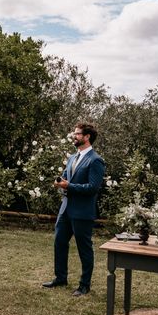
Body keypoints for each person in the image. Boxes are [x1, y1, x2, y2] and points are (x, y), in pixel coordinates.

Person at [43, 122, 106, 297]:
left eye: (77, 134)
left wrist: (69, 185)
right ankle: (60, 278)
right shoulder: (72, 157)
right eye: (75, 133)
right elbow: (65, 177)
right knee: (59, 243)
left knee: (84, 248)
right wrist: (60, 183)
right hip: (65, 209)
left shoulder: (96, 160)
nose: (74, 136)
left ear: (87, 137)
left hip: (82, 212)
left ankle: (84, 285)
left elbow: (93, 188)